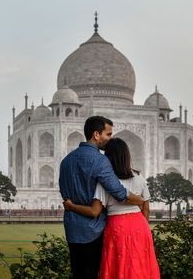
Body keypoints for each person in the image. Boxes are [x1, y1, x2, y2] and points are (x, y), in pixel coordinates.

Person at [59, 116, 145, 279]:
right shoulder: (100, 160)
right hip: (94, 230)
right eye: (108, 134)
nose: (110, 139)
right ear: (96, 135)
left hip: (72, 228)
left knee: (79, 273)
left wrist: (71, 206)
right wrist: (141, 200)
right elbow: (119, 193)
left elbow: (64, 193)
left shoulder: (66, 161)